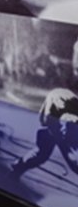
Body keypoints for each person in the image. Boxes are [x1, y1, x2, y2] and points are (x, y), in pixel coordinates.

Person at [9, 38, 78, 178]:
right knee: (47, 149)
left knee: (45, 150)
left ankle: (18, 166)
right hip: (62, 110)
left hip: (63, 111)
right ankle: (18, 166)